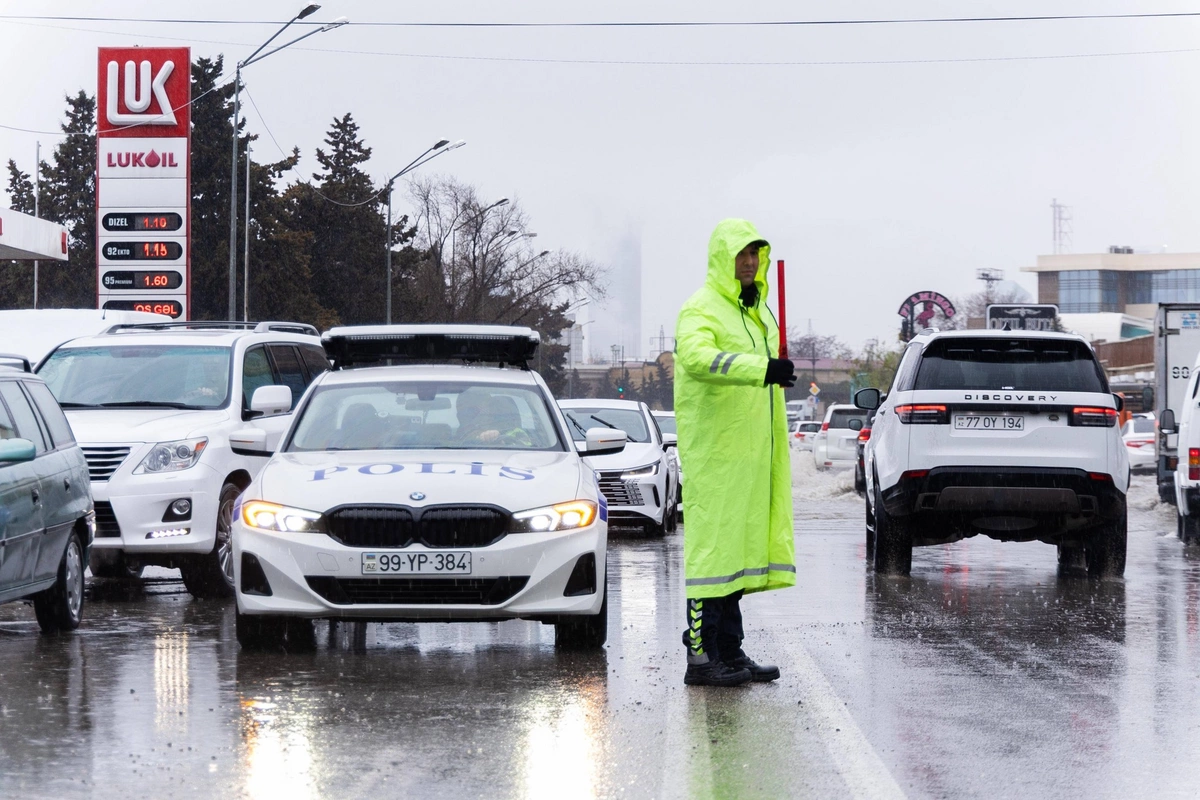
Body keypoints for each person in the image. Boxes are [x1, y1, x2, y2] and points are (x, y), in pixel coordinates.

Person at [673, 218, 797, 687]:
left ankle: (730, 649)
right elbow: (698, 359)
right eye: (741, 254)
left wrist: (774, 370)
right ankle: (701, 659)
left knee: (736, 555)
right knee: (712, 557)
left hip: (751, 455)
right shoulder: (701, 308)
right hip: (717, 455)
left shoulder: (758, 313)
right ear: (723, 259)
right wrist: (763, 368)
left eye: (755, 255)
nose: (749, 263)